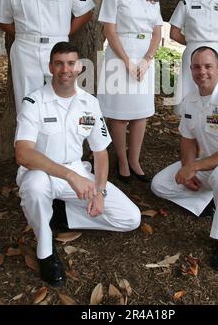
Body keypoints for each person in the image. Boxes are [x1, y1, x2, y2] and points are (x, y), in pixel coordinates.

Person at [15, 42, 141, 286]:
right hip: (42, 171)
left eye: (71, 63)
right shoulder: (33, 101)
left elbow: (101, 152)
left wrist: (101, 191)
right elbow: (23, 155)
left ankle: (61, 213)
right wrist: (71, 177)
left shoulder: (90, 103)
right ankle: (46, 250)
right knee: (34, 187)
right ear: (50, 67)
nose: (66, 69)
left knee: (130, 218)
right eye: (59, 63)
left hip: (76, 170)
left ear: (80, 67)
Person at [151, 47, 218, 270]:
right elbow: (187, 140)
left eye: (208, 66)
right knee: (159, 185)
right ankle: (211, 202)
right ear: (190, 69)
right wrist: (187, 167)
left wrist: (194, 166)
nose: (202, 72)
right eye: (197, 66)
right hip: (208, 164)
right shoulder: (190, 101)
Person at [97, 0, 163, 183]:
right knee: (119, 114)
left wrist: (146, 61)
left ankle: (135, 159)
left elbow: (157, 32)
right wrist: (127, 62)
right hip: (119, 56)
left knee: (140, 113)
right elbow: (109, 30)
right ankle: (122, 161)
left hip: (145, 57)